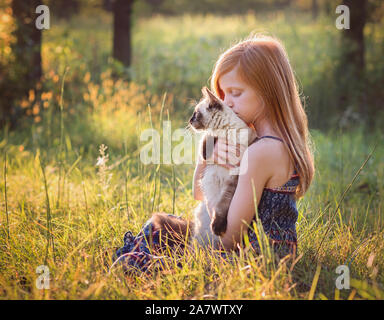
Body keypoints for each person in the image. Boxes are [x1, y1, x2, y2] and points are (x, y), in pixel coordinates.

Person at [111, 35, 314, 273]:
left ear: (268, 92)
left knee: (138, 256)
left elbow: (228, 239)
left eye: (235, 93)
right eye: (223, 94)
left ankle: (136, 261)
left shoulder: (262, 152)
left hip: (253, 262)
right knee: (161, 226)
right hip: (248, 253)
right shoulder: (262, 142)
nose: (226, 103)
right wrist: (210, 158)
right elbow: (199, 193)